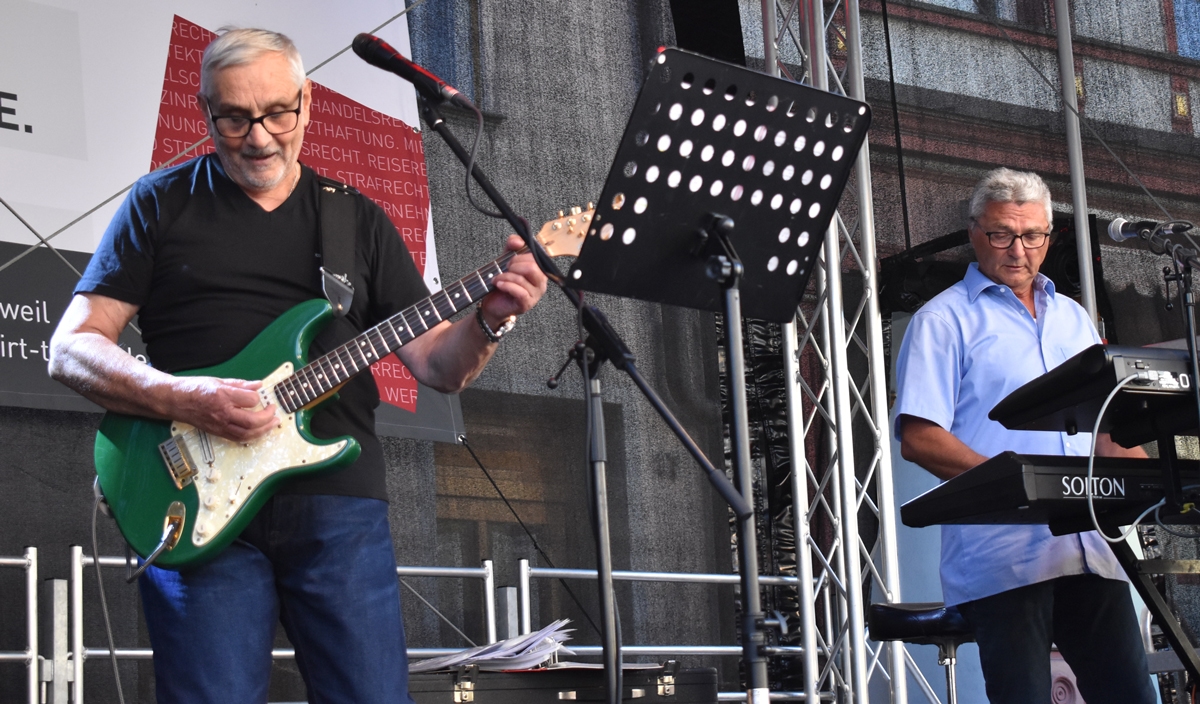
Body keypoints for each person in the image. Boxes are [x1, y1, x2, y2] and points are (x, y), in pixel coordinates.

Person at [48, 28, 547, 703]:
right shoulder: (159, 203)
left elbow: (438, 367)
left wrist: (490, 319)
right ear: (204, 111)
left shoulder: (356, 220)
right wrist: (184, 399)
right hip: (193, 498)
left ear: (308, 103)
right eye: (234, 118)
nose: (259, 137)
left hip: (337, 504)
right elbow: (71, 348)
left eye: (277, 113)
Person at [893, 168, 1155, 703]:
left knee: (1132, 695)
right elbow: (920, 437)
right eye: (1001, 234)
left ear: (1049, 236)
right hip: (1006, 555)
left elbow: (1106, 429)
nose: (1018, 250)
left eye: (1032, 235)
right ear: (974, 234)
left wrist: (1163, 486)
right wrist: (1016, 485)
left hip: (1091, 548)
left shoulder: (1073, 318)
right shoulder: (943, 320)